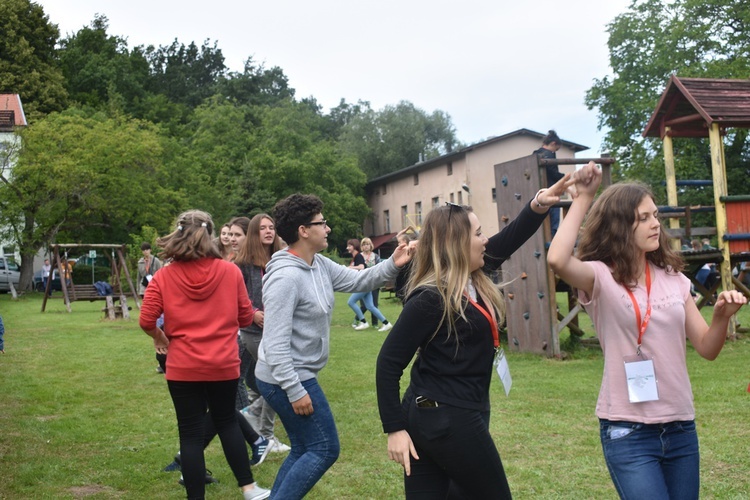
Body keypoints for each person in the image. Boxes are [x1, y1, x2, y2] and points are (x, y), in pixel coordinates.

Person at [547, 163, 746, 500]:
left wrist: (722, 318)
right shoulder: (600, 276)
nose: (656, 223)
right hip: (628, 431)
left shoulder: (674, 279)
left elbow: (707, 348)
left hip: (681, 427)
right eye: (644, 217)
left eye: (655, 215)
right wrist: (584, 198)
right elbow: (557, 260)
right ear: (620, 226)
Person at [376, 174, 575, 498]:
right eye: (478, 233)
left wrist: (538, 204)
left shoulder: (473, 273)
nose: (485, 240)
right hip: (445, 416)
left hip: (450, 411)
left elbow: (510, 239)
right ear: (456, 244)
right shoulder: (431, 298)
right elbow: (387, 364)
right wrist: (395, 429)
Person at [255, 193, 414, 499]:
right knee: (324, 448)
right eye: (321, 223)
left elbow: (359, 281)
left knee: (304, 447)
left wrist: (394, 263)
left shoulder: (318, 264)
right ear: (304, 230)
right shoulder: (285, 278)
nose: (327, 228)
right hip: (284, 377)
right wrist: (295, 388)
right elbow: (274, 344)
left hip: (293, 374)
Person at [139, 210, 270, 500]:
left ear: (179, 233)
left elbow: (146, 320)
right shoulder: (229, 271)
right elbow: (245, 315)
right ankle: (249, 489)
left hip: (182, 366)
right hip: (222, 363)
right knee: (226, 422)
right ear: (210, 235)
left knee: (190, 434)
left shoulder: (163, 276)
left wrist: (161, 339)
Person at [234, 213, 290, 454]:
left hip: (278, 329)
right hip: (253, 332)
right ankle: (265, 436)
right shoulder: (243, 263)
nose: (268, 232)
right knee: (278, 380)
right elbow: (238, 296)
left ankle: (253, 414)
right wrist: (254, 313)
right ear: (254, 234)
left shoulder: (282, 259)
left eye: (272, 227)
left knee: (266, 381)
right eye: (262, 229)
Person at [346, 238, 394, 332]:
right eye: (363, 245)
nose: (347, 248)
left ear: (354, 246)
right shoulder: (358, 256)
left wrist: (349, 267)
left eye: (349, 246)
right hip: (367, 283)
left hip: (365, 283)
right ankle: (386, 323)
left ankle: (363, 322)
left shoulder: (359, 256)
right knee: (370, 306)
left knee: (351, 302)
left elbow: (362, 267)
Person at [533, 129, 565, 238]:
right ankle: (553, 240)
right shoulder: (549, 155)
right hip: (550, 192)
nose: (555, 152)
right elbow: (554, 174)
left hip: (538, 194)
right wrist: (565, 177)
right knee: (553, 223)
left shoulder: (535, 154)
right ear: (553, 143)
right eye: (556, 149)